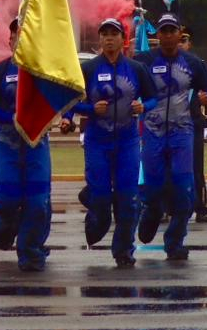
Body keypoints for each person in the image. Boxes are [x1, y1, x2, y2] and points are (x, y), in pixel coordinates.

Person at [62, 18, 155, 267]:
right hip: (97, 141)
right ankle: (95, 217)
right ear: (100, 39)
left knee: (128, 198)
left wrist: (143, 106)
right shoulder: (89, 69)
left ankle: (124, 250)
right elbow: (71, 101)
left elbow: (153, 98)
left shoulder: (136, 68)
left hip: (127, 141)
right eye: (104, 34)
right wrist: (89, 110)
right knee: (101, 197)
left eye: (114, 34)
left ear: (122, 39)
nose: (109, 38)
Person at [0, 18, 53, 272]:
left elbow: (63, 98)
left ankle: (30, 254)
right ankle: (1, 224)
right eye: (17, 35)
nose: (21, 39)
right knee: (8, 199)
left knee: (38, 203)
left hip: (37, 145)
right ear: (10, 41)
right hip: (6, 144)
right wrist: (11, 118)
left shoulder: (47, 72)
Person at [136, 14, 207, 260]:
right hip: (153, 132)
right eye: (164, 31)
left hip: (182, 132)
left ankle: (175, 241)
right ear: (157, 34)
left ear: (180, 33)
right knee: (153, 186)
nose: (168, 35)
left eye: (172, 31)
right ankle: (151, 212)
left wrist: (206, 97)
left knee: (183, 190)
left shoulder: (193, 62)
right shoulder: (144, 61)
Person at [179, 27, 207, 223]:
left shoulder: (197, 64)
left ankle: (200, 207)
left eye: (184, 41)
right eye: (178, 40)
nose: (180, 44)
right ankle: (170, 207)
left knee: (196, 168)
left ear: (189, 44)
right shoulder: (164, 63)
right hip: (171, 123)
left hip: (193, 121)